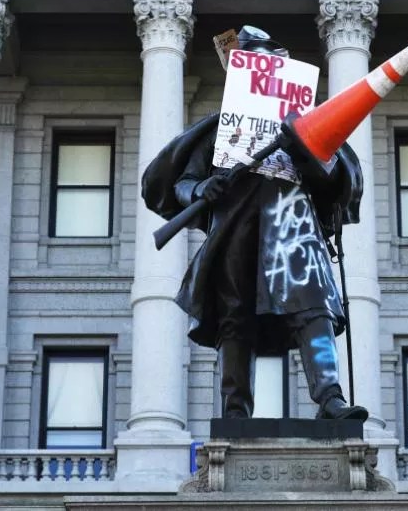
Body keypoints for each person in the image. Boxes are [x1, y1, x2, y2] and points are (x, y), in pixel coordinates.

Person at [142, 26, 368, 421]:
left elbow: (336, 180)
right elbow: (182, 182)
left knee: (314, 307)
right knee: (236, 318)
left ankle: (330, 398)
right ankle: (235, 412)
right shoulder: (218, 129)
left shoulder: (306, 127)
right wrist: (200, 191)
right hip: (235, 231)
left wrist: (303, 149)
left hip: (293, 227)